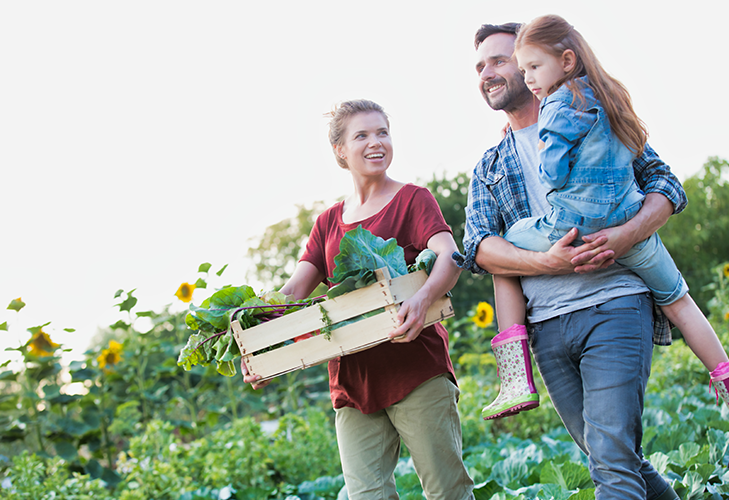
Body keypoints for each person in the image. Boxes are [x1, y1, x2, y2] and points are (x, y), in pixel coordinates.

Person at [453, 21, 685, 500]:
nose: (489, 73)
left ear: (531, 64)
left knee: (613, 460)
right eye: (480, 66)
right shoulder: (490, 165)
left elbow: (665, 185)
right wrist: (549, 265)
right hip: (548, 328)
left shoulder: (595, 116)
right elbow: (478, 246)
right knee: (613, 459)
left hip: (615, 305)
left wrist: (625, 235)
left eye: (500, 60)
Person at [486, 14, 729, 419]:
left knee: (504, 246)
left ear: (565, 61)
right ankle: (722, 370)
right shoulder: (610, 93)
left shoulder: (557, 106)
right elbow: (639, 154)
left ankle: (514, 379)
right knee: (678, 299)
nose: (528, 77)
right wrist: (632, 231)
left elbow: (553, 173)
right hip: (629, 221)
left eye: (532, 66)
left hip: (572, 228)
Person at [243, 99, 474, 500]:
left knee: (446, 492)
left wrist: (422, 299)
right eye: (362, 135)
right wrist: (256, 347)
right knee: (366, 495)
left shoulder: (413, 200)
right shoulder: (327, 222)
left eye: (382, 132)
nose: (376, 142)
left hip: (415, 368)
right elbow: (292, 294)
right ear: (340, 150)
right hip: (352, 380)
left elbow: (450, 256)